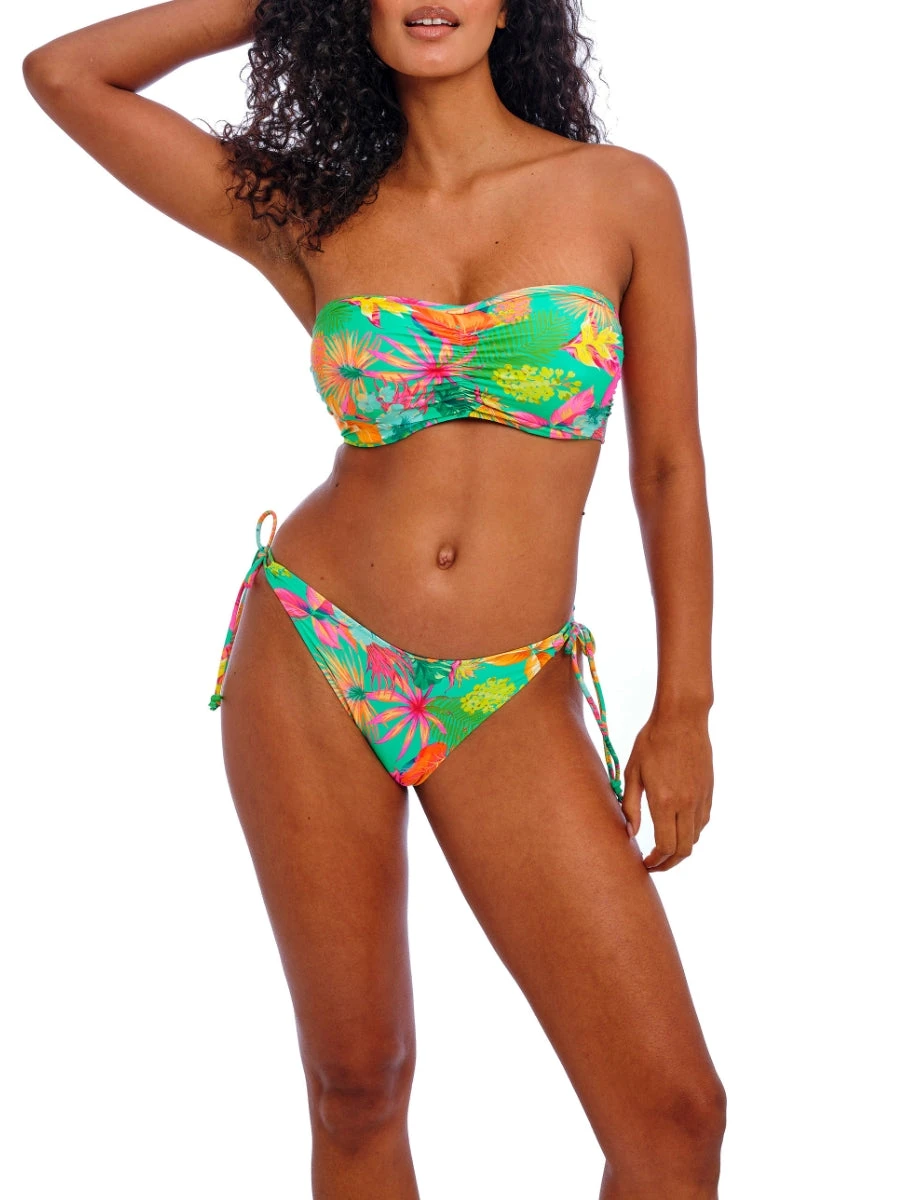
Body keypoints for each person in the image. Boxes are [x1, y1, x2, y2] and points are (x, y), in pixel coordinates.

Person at [23, 1, 724, 1195]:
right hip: (317, 650)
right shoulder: (311, 211)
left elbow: (668, 466)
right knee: (358, 1082)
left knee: (673, 1118)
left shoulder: (619, 195)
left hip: (507, 686)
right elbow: (65, 74)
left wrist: (686, 704)